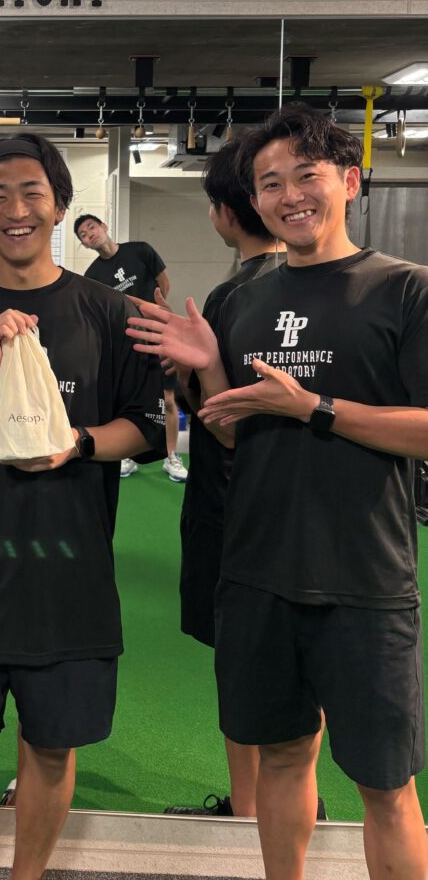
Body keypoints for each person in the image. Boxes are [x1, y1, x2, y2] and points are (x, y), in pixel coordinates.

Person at [127, 104, 428, 880]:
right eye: (270, 183)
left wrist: (315, 408)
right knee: (284, 758)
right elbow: (234, 437)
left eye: (306, 175)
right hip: (257, 575)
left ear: (349, 182)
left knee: (386, 786)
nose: (289, 195)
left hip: (365, 581)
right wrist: (210, 371)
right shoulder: (239, 302)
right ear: (253, 201)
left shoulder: (404, 290)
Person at [0, 135, 165, 880]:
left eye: (31, 193)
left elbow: (149, 428)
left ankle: (27, 879)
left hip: (70, 581)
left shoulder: (108, 311)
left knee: (50, 753)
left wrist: (78, 444)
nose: (15, 210)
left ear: (58, 205)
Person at [162, 136, 293, 819]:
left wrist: (187, 373)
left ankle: (247, 812)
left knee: (242, 666)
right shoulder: (309, 289)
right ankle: (288, 802)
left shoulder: (233, 296)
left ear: (223, 212)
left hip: (235, 509)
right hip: (302, 513)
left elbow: (219, 417)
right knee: (292, 666)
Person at [75, 214, 186, 482]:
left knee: (168, 399)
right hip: (127, 342)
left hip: (158, 335)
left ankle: (171, 456)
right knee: (124, 400)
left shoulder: (140, 250)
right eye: (83, 236)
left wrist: (156, 314)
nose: (89, 235)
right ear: (85, 244)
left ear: (104, 226)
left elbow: (164, 282)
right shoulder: (92, 276)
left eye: (91, 227)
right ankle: (126, 455)